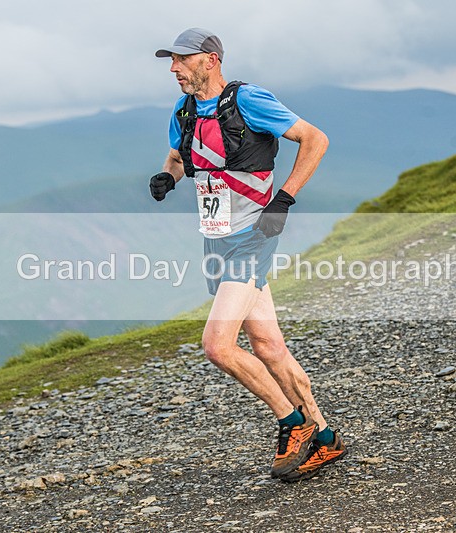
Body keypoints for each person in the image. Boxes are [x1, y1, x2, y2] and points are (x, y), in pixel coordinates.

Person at [150, 28, 346, 482]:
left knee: (217, 346)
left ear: (211, 60)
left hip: (254, 236)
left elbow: (315, 139)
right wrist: (167, 176)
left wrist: (285, 199)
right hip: (215, 240)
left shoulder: (249, 100)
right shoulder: (183, 112)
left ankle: (291, 422)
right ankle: (324, 438)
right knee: (269, 347)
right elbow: (180, 156)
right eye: (171, 60)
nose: (174, 68)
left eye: (182, 59)